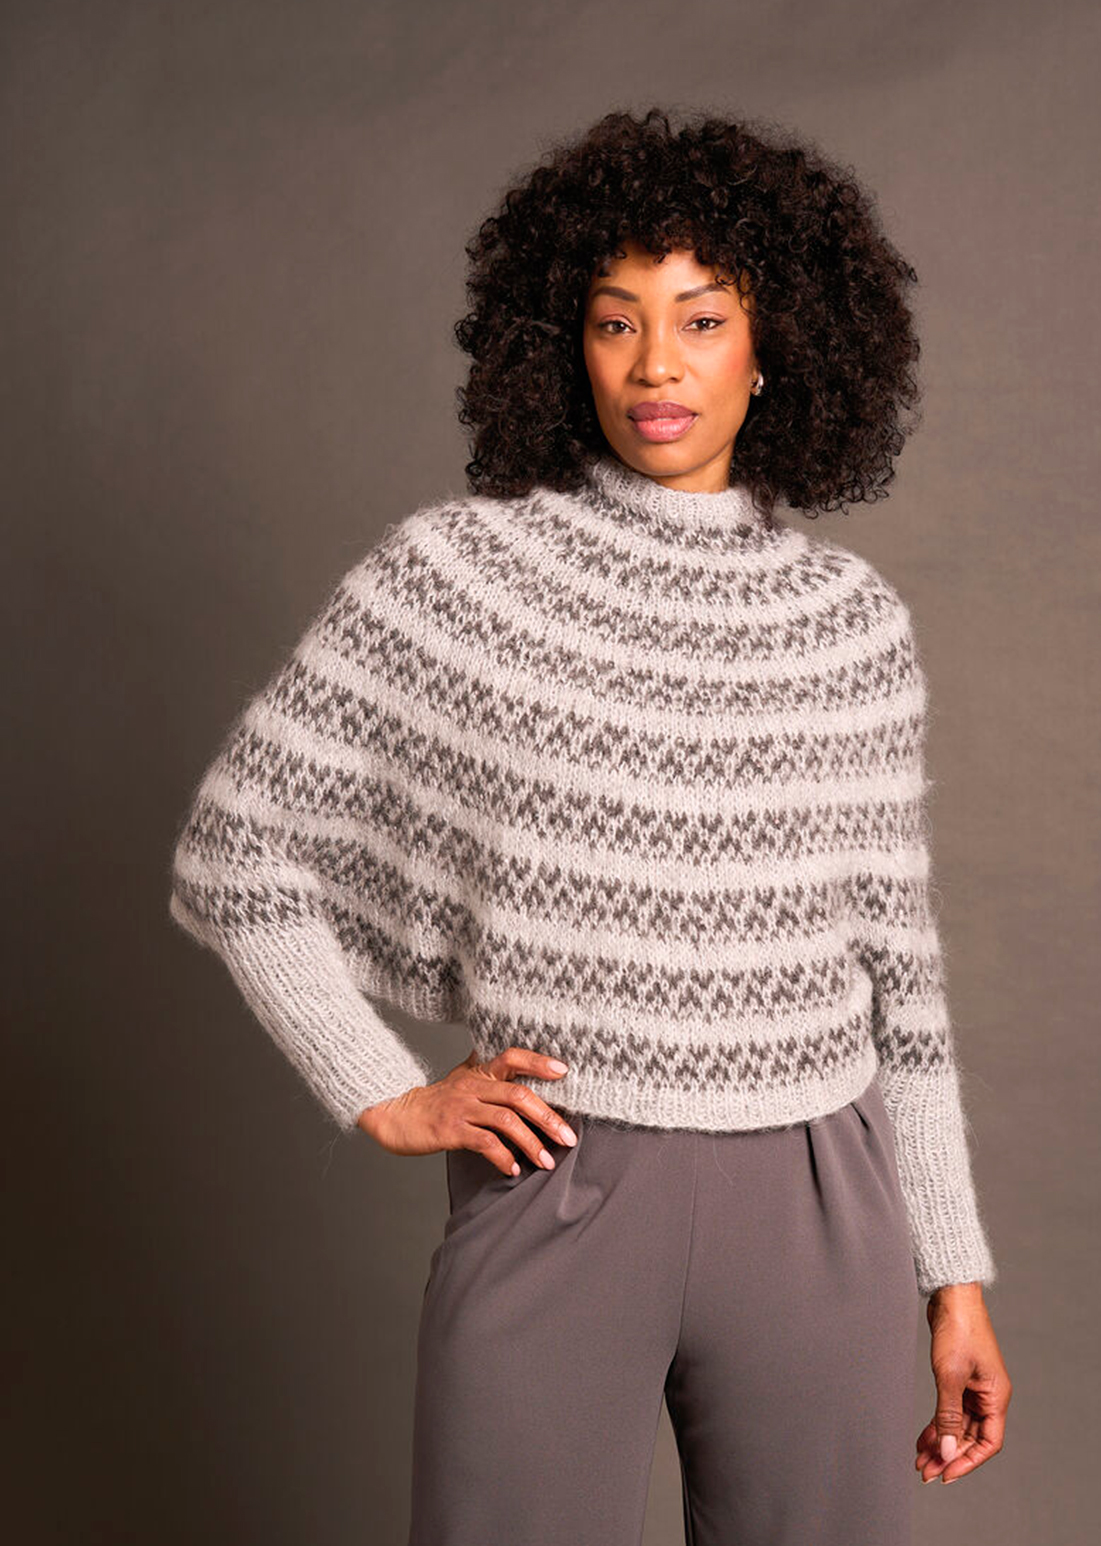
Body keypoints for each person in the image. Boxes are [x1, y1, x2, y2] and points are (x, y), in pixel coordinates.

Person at [168, 105, 1012, 1544]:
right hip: (559, 1179)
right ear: (563, 344)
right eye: (616, 322)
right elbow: (234, 857)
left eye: (701, 319)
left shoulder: (853, 627)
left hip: (820, 1202)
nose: (656, 364)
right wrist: (382, 1090)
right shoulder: (456, 577)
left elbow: (904, 988)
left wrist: (955, 1275)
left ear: (775, 347)